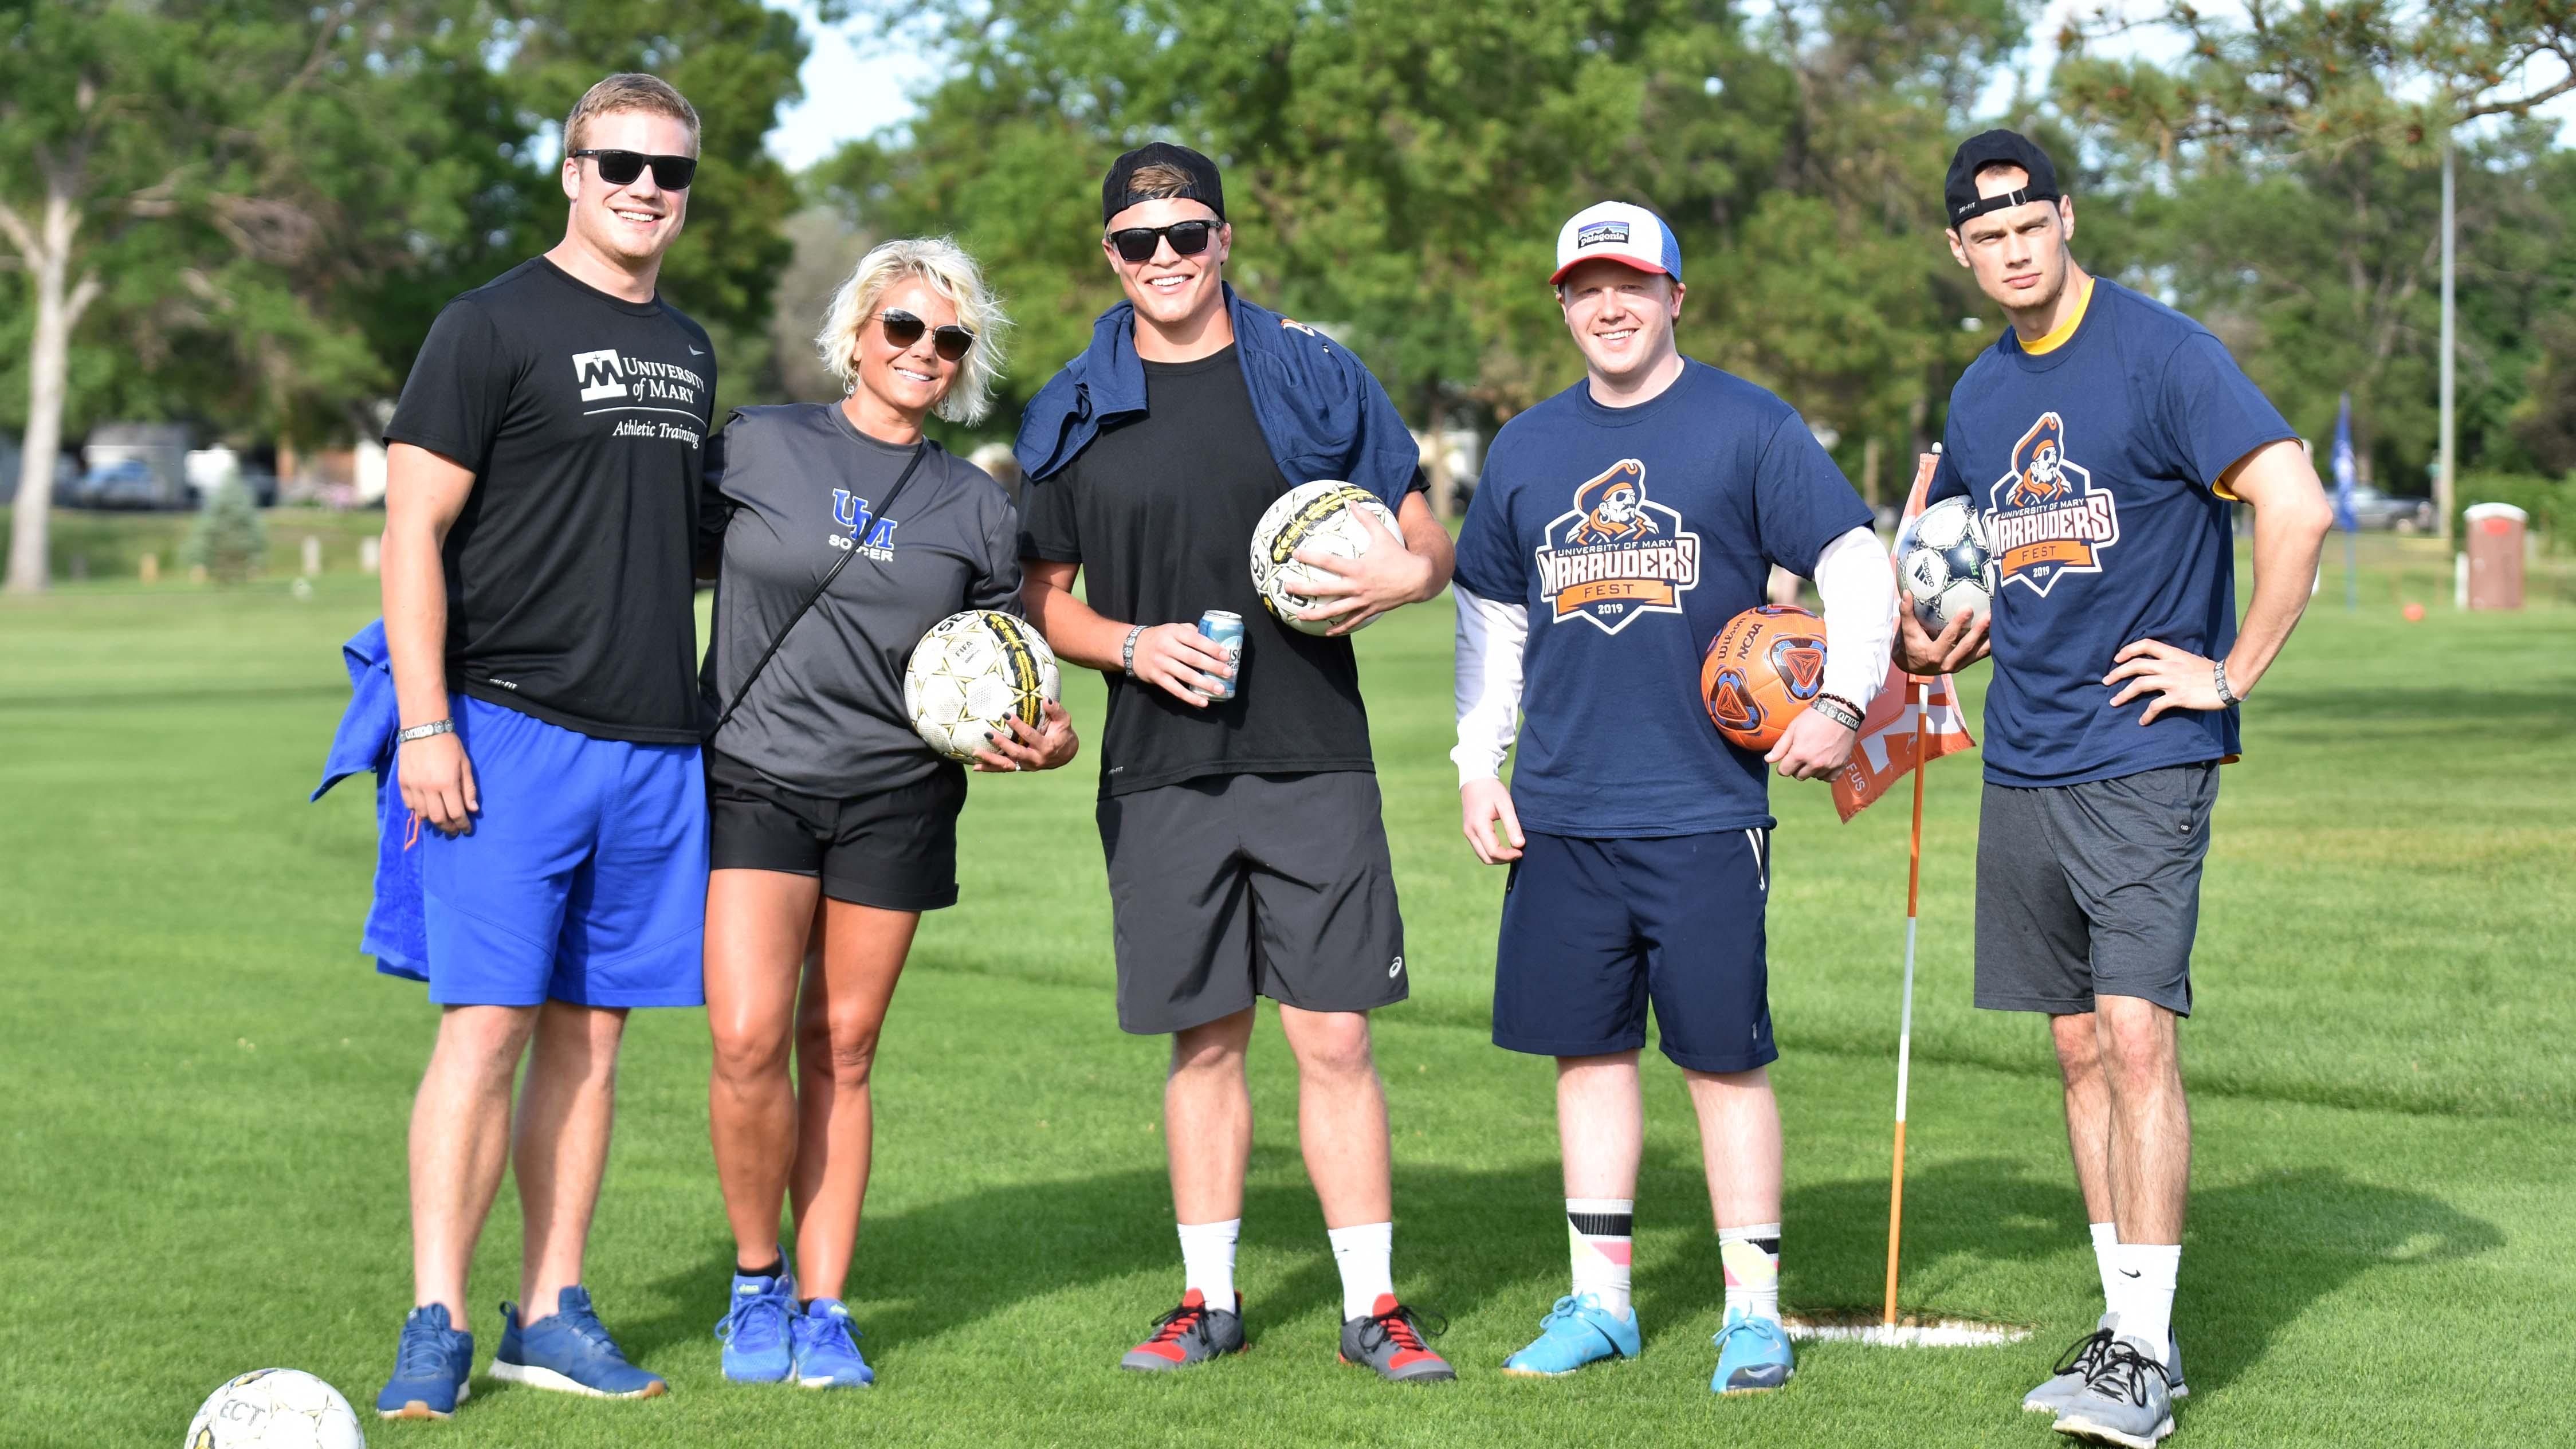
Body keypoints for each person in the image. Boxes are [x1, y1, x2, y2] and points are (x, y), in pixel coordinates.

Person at [1899, 131, 2332, 1449]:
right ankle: (2123, 1324)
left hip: (2143, 749)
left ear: (2066, 218)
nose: (2015, 245)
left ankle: (2143, 1346)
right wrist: (1945, 628)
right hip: (2022, 756)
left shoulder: (2162, 353)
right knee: (2076, 1042)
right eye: (1989, 230)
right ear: (1960, 250)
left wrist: (2228, 669)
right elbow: (1982, 562)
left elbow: (2295, 504)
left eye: (2032, 220)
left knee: (2137, 1032)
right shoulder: (1978, 396)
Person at [1014, 143, 1458, 1383]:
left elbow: (1424, 534)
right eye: (1138, 241)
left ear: (1223, 240)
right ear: (1109, 255)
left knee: (1333, 1036)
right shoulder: (1072, 407)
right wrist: (1129, 644)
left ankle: (1372, 1305)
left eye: (1187, 233)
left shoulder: (1314, 372)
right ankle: (1205, 1298)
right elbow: (1042, 595)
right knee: (1202, 1040)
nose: (1166, 259)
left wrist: (1402, 573)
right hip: (1158, 765)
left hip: (1313, 754)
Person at [1450, 202, 1895, 1394]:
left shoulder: (1748, 426)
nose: (1610, 304)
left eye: (1632, 284)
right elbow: (1490, 619)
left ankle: (1753, 1312)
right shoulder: (1523, 449)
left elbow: (1855, 562)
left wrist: (1843, 703)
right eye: (1587, 285)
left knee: (1720, 1058)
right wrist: (1474, 765)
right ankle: (1600, 1304)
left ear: (1675, 297)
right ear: (1561, 301)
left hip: (1701, 807)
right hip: (1560, 807)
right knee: (1586, 1054)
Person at [365, 73, 716, 1419]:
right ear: (572, 170)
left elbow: (677, 547)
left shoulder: (686, 350)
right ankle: (437, 1316)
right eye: (619, 162)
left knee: (594, 1037)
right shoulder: (487, 323)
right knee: (487, 1027)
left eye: (669, 171)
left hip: (652, 746)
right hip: (502, 730)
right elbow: (412, 534)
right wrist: (427, 718)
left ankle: (550, 1309)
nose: (644, 187)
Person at [698, 237, 1077, 1390]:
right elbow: (646, 558)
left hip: (895, 794)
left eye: (948, 337)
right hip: (756, 771)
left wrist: (1046, 731)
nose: (923, 351)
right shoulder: (759, 444)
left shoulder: (975, 503)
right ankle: (754, 1280)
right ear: (858, 333)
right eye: (903, 327)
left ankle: (824, 1305)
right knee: (747, 1037)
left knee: (844, 1047)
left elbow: (1005, 660)